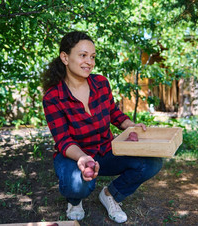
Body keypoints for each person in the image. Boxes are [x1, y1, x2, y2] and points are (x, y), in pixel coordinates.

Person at [41, 31, 163, 223]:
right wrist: (82, 158)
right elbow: (63, 140)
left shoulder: (101, 83)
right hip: (75, 156)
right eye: (82, 55)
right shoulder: (53, 97)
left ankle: (110, 195)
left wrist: (131, 126)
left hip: (106, 150)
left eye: (92, 56)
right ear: (65, 57)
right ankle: (74, 200)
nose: (89, 61)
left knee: (151, 163)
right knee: (77, 184)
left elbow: (113, 112)